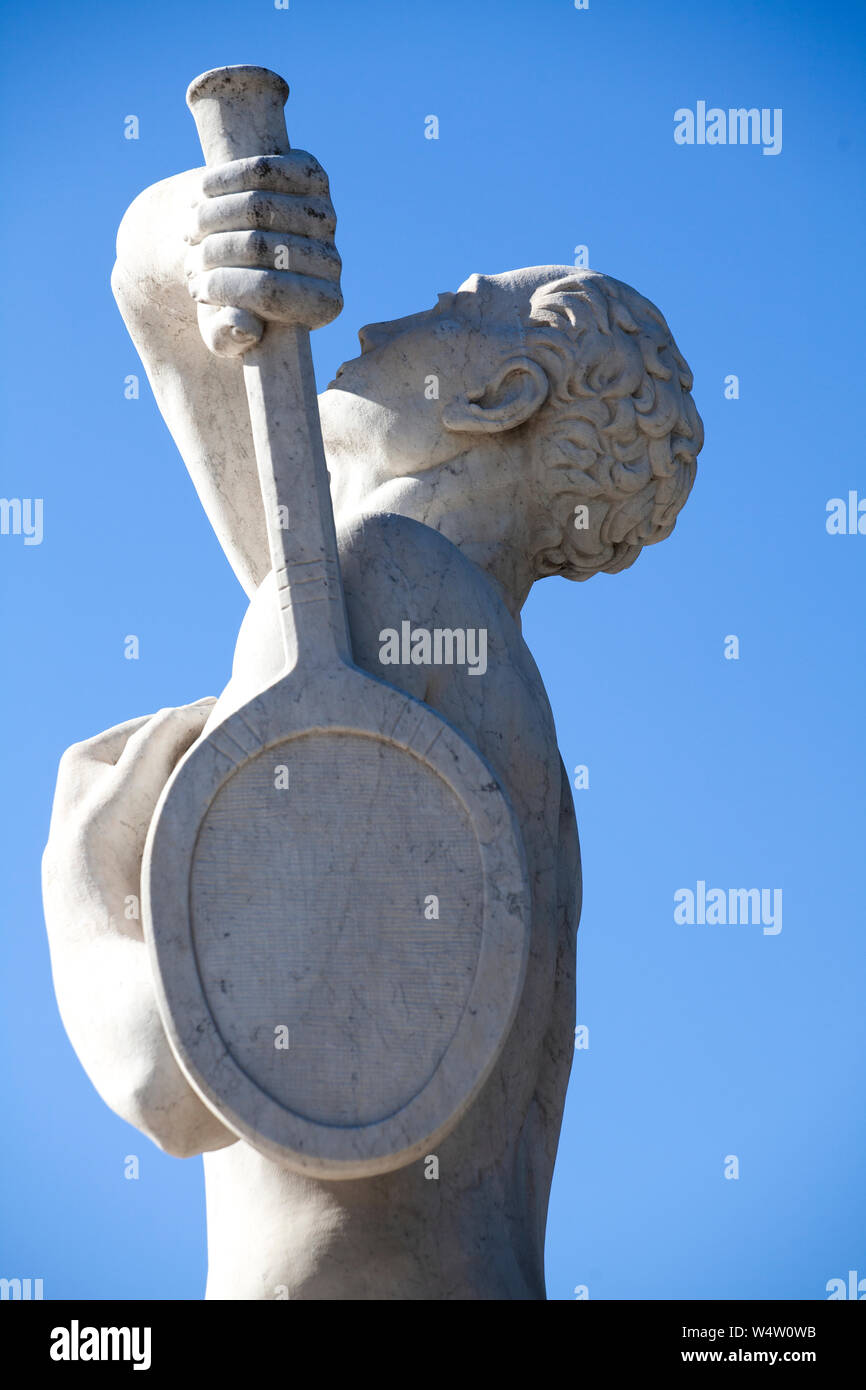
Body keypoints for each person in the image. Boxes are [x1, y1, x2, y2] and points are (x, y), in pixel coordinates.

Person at [43, 147, 702, 1299]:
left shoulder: (385, 581)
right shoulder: (464, 656)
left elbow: (168, 1077)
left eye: (451, 311)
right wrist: (192, 236)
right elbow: (196, 378)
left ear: (500, 398)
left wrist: (83, 877)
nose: (380, 323)